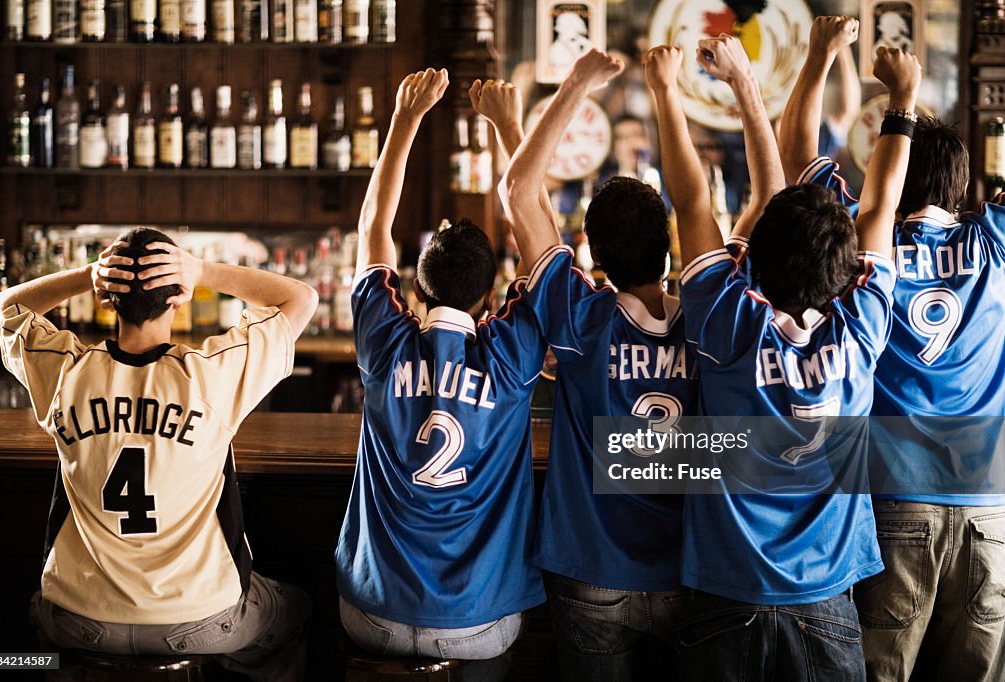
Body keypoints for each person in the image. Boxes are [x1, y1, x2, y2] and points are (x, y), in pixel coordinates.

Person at [499, 39, 782, 680]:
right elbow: (768, 195)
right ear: (668, 246)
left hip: (591, 574)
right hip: (694, 570)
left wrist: (576, 85)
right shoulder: (716, 312)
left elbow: (519, 191)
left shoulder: (581, 317)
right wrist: (741, 86)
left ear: (591, 253)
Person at [646, 30, 920, 679]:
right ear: (847, 270)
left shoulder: (727, 319)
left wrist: (716, 88)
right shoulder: (862, 328)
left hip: (725, 592)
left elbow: (688, 200)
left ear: (758, 261)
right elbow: (880, 205)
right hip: (825, 599)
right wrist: (901, 102)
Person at [780, 15, 1005, 682]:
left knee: (882, 673)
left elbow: (799, 157)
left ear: (893, 175)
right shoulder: (994, 241)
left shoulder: (862, 244)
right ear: (965, 191)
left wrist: (821, 54)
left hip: (894, 494)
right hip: (990, 503)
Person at [0, 227, 317, 681]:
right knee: (297, 611)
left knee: (18, 646)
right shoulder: (210, 376)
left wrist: (89, 274)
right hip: (200, 621)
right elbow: (300, 297)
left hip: (79, 620)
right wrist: (201, 270)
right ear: (178, 298)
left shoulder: (67, 373)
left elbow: (5, 306)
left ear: (108, 300)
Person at [334, 68, 551, 667]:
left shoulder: (385, 342)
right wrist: (509, 127)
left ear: (417, 290)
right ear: (491, 296)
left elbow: (373, 225)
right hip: (477, 627)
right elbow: (546, 248)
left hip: (369, 617)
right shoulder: (510, 355)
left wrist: (406, 119)